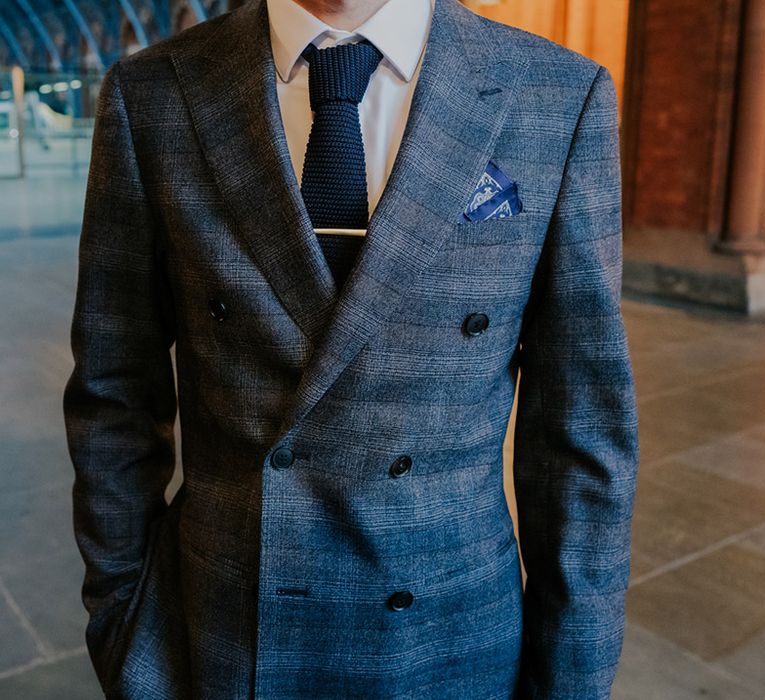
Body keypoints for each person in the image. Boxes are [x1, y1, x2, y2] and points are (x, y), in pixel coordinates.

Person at [62, 0, 640, 697]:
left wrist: (573, 681)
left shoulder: (556, 96)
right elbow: (113, 395)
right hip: (218, 641)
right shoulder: (154, 93)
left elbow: (583, 439)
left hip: (451, 649)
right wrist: (123, 624)